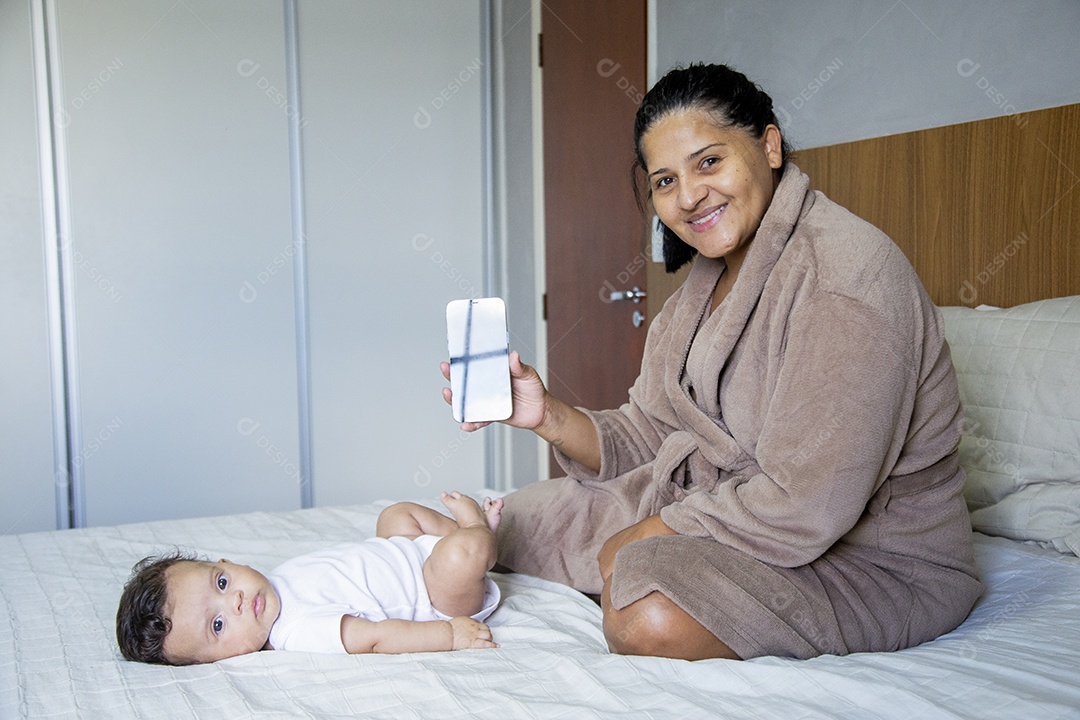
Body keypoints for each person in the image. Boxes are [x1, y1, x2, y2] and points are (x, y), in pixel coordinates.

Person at [441, 63, 982, 661]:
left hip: (872, 562)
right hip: (727, 514)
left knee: (642, 605)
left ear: (769, 146)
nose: (689, 196)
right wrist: (543, 414)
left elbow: (807, 504)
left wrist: (643, 534)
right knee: (517, 520)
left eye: (708, 162)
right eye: (665, 181)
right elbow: (646, 431)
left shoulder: (846, 280)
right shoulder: (698, 293)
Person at [116, 491, 502, 665]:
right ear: (215, 660)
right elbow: (376, 638)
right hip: (434, 595)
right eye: (217, 625)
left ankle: (463, 538)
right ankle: (476, 529)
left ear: (226, 562)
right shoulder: (297, 630)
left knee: (395, 516)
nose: (234, 601)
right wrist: (451, 635)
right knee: (457, 557)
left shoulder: (272, 586)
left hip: (405, 554)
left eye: (221, 582)